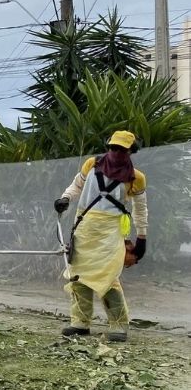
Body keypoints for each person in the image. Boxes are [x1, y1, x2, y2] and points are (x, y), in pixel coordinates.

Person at [54, 131, 147, 342]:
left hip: (110, 232)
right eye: (113, 148)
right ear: (108, 147)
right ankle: (80, 323)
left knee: (108, 277)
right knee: (78, 276)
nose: (117, 152)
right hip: (85, 228)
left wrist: (141, 238)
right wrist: (65, 199)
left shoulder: (136, 178)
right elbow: (77, 185)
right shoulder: (91, 164)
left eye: (122, 149)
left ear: (131, 151)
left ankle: (119, 326)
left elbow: (141, 210)